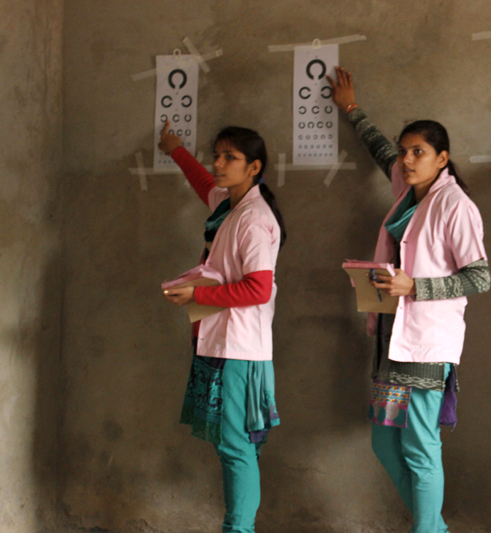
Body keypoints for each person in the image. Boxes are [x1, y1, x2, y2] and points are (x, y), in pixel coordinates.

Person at [327, 66, 490, 533]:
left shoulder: (456, 205)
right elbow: (381, 152)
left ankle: (427, 531)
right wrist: (352, 109)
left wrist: (414, 287)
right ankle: (434, 527)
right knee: (384, 443)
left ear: (443, 158)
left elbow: (479, 277)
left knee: (420, 448)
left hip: (424, 348)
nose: (407, 158)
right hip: (390, 339)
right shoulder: (407, 193)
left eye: (419, 151)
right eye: (405, 151)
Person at [160, 122, 287, 533]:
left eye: (229, 158)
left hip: (240, 348)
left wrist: (197, 297)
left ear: (254, 167)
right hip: (219, 344)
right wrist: (176, 150)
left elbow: (258, 287)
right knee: (230, 446)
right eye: (217, 155)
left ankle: (239, 529)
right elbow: (203, 184)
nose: (217, 163)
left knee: (237, 449)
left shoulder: (252, 218)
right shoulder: (228, 205)